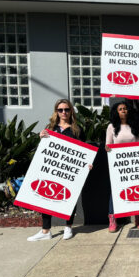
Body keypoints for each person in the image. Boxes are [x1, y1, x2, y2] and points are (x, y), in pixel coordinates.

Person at [27, 99, 92, 242]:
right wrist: (41, 138)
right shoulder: (50, 128)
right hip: (51, 169)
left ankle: (68, 227)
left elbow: (83, 150)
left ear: (71, 111)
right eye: (60, 110)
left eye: (67, 109)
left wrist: (87, 163)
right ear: (56, 111)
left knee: (70, 197)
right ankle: (45, 230)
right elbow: (44, 149)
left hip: (69, 170)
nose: (64, 112)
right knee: (45, 197)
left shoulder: (77, 129)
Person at [105, 101, 139, 232]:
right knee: (114, 191)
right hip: (118, 164)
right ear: (116, 112)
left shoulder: (135, 125)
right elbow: (108, 144)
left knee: (135, 189)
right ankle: (112, 219)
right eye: (120, 109)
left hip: (134, 163)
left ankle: (138, 218)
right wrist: (108, 148)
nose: (123, 110)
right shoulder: (111, 127)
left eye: (125, 108)